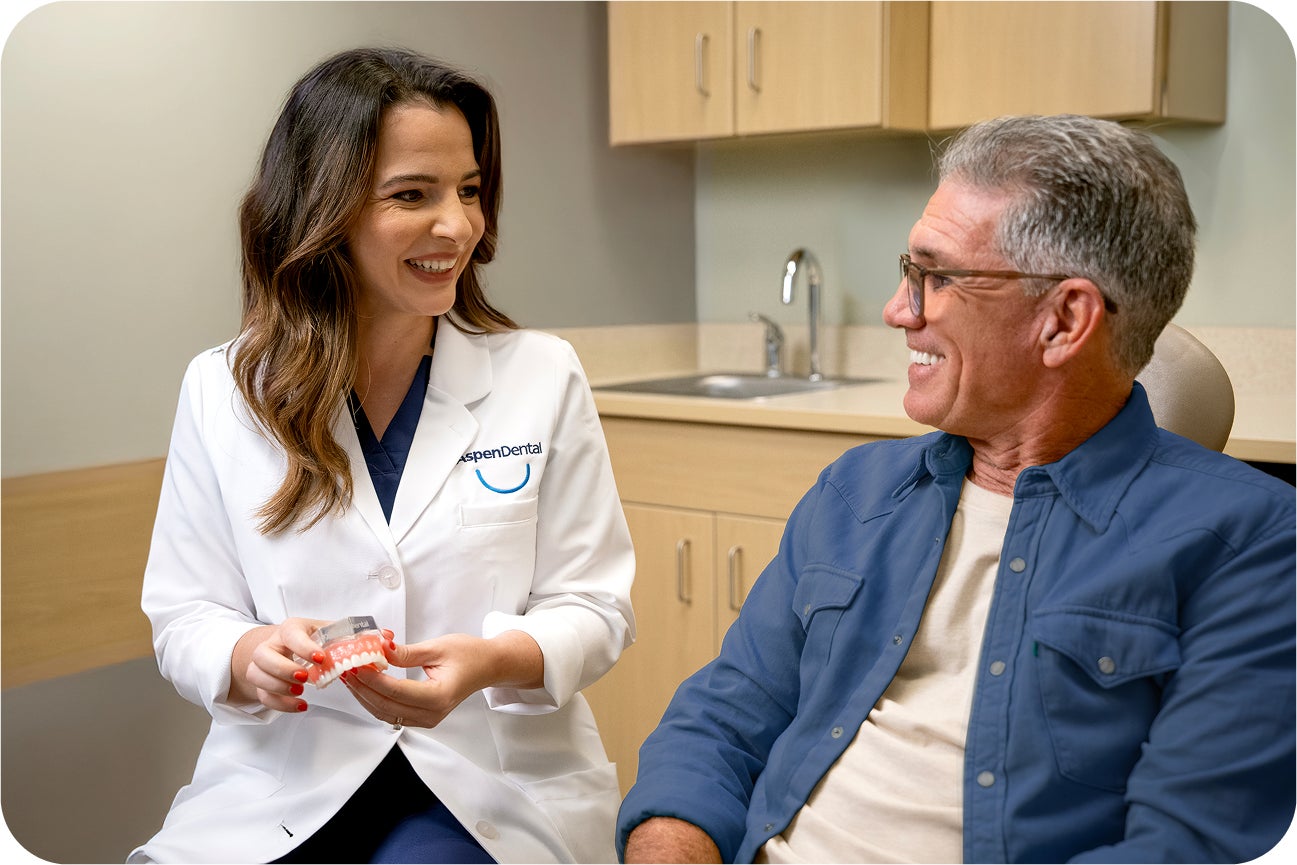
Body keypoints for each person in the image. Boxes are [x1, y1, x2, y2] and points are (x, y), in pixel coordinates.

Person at [617, 114, 1296, 864]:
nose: (898, 309)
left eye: (935, 276)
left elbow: (1183, 844)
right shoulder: (855, 494)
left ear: (1063, 320)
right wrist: (671, 846)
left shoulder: (1252, 546)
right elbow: (720, 720)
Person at [130, 47, 635, 864]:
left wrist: (491, 660)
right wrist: (247, 656)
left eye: (469, 190)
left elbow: (596, 606)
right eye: (413, 195)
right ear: (321, 210)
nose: (459, 225)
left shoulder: (541, 375)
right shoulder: (222, 389)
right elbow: (185, 613)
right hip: (284, 779)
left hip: (484, 775)